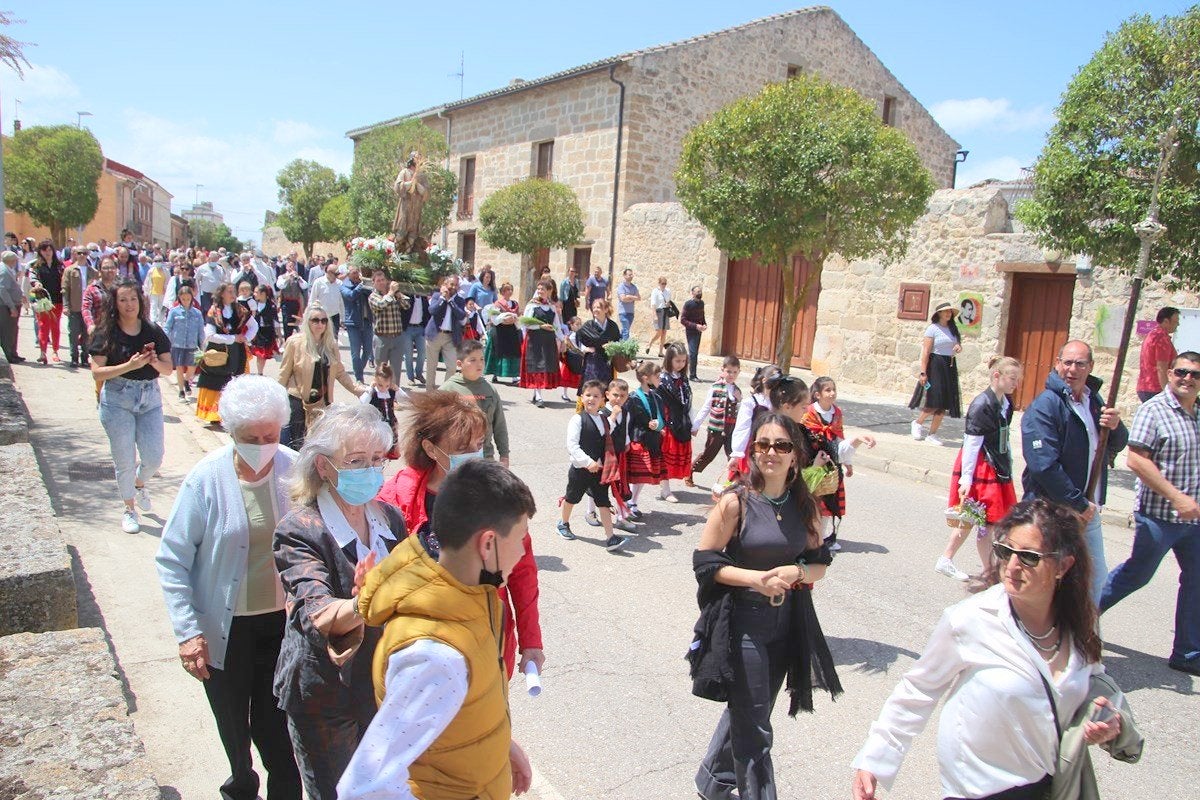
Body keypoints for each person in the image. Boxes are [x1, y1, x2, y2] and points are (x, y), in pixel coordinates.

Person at [852, 500, 1142, 800]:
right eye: (1005, 551)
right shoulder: (972, 619)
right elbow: (918, 690)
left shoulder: (1081, 621)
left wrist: (1109, 722)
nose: (1012, 566)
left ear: (1063, 566)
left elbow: (1093, 682)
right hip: (980, 789)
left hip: (1049, 785)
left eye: (1029, 557)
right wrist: (874, 760)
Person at [338, 460, 535, 799]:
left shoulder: (469, 595)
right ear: (487, 544)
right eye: (520, 539)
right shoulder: (435, 656)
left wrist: (501, 744)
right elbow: (365, 788)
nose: (522, 551)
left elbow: (449, 719)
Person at [156, 376, 303, 800]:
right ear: (231, 433)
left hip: (281, 626)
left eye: (271, 436)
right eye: (250, 437)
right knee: (235, 727)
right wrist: (187, 632)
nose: (262, 444)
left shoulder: (294, 470)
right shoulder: (205, 480)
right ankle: (241, 786)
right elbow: (172, 558)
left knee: (280, 731)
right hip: (225, 630)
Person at [692, 412, 838, 800]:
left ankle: (713, 781)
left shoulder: (806, 507)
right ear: (753, 450)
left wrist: (796, 571)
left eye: (782, 445)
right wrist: (754, 579)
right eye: (763, 444)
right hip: (743, 625)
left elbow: (819, 564)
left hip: (786, 623)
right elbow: (706, 562)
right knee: (756, 729)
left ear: (796, 455)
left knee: (750, 712)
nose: (771, 452)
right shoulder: (734, 503)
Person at [272, 402, 406, 799]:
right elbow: (315, 613)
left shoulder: (389, 518)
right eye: (355, 460)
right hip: (325, 695)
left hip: (379, 685)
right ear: (324, 466)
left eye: (376, 460)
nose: (369, 470)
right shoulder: (299, 529)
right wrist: (362, 602)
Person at [376, 391, 544, 679]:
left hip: (487, 638)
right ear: (430, 448)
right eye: (461, 447)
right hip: (421, 647)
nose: (472, 454)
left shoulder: (497, 493)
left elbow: (522, 572)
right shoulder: (397, 496)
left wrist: (531, 641)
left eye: (478, 445)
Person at [1101, 351, 1200, 676]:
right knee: (1137, 574)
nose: (1187, 378)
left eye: (1194, 374)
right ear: (1170, 373)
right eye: (1181, 372)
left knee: (1196, 581)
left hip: (1193, 520)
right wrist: (1177, 497)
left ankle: (1187, 652)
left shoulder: (1196, 414)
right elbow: (1137, 460)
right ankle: (1072, 618)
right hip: (1159, 515)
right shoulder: (1154, 410)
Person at [1022, 340, 1128, 604]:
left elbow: (1112, 445)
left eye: (1080, 363)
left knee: (1094, 580)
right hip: (1053, 510)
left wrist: (1115, 426)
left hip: (1085, 509)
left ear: (1090, 366)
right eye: (1067, 362)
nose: (1072, 369)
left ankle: (1083, 638)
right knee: (1043, 581)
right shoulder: (1046, 405)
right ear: (1057, 364)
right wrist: (1078, 503)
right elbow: (1043, 464)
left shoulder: (1094, 401)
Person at [86, 279, 172, 533]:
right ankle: (129, 509)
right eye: (123, 300)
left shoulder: (153, 331)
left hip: (150, 398)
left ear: (140, 300)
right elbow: (97, 373)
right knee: (124, 459)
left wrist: (153, 362)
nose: (129, 304)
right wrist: (129, 366)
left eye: (133, 299)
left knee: (154, 457)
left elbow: (168, 369)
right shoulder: (106, 333)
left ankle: (139, 484)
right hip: (117, 399)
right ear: (115, 303)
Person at [937, 356, 1023, 581]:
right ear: (997, 375)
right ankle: (990, 573)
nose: (1016, 383)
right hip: (980, 467)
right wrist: (966, 479)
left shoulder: (1005, 403)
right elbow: (972, 443)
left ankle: (947, 559)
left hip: (996, 464)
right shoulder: (981, 405)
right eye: (1012, 378)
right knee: (986, 522)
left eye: (1017, 379)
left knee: (976, 519)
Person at [799, 377, 876, 553]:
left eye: (834, 389)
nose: (832, 393)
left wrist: (847, 462)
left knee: (829, 503)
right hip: (813, 461)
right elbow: (803, 437)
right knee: (811, 502)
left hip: (832, 463)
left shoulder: (837, 413)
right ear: (817, 394)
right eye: (828, 390)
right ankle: (805, 535)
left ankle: (823, 537)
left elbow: (839, 438)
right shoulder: (809, 412)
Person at [556, 379, 633, 551]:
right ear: (582, 397)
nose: (591, 398)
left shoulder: (603, 419)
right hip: (580, 470)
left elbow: (608, 429)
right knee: (572, 498)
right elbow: (572, 446)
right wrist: (587, 462)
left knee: (603, 502)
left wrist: (613, 416)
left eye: (596, 396)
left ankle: (611, 537)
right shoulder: (577, 419)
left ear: (602, 400)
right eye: (588, 395)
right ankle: (564, 523)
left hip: (599, 472)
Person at [278, 304, 367, 448]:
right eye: (315, 320)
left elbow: (340, 372)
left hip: (323, 402)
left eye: (324, 321)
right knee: (297, 443)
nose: (320, 324)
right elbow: (284, 373)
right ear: (308, 322)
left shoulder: (331, 344)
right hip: (299, 400)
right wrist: (275, 397)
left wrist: (356, 390)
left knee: (318, 442)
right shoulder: (295, 342)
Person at [441, 340, 510, 468]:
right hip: (457, 458)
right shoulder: (447, 390)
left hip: (486, 457)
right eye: (472, 360)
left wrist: (504, 455)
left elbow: (499, 425)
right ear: (459, 364)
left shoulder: (490, 390)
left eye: (482, 359)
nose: (479, 364)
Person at [197, 282, 257, 426]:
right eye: (229, 291)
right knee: (216, 381)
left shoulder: (239, 309)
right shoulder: (214, 311)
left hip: (236, 352)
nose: (232, 294)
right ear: (221, 293)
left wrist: (245, 339)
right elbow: (210, 334)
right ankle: (215, 414)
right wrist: (232, 338)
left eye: (233, 291)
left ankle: (232, 413)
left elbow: (254, 326)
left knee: (235, 381)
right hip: (218, 351)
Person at [910, 301, 963, 446]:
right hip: (936, 366)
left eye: (950, 312)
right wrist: (923, 372)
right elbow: (926, 352)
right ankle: (918, 423)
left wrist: (958, 346)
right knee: (935, 400)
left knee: (944, 404)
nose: (948, 314)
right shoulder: (932, 329)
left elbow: (957, 344)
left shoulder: (953, 329)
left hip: (949, 366)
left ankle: (932, 434)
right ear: (939, 313)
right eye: (945, 311)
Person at [692, 356, 742, 480]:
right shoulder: (715, 387)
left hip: (731, 430)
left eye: (735, 372)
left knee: (732, 456)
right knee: (709, 455)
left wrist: (740, 399)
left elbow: (741, 411)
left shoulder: (737, 391)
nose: (731, 375)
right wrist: (696, 425)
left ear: (739, 372)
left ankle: (733, 481)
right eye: (729, 371)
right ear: (722, 370)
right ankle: (691, 470)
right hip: (716, 429)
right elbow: (706, 407)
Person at [626, 361, 665, 518]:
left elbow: (662, 417)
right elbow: (629, 421)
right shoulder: (633, 398)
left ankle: (633, 502)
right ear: (645, 378)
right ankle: (626, 503)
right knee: (635, 477)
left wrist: (658, 424)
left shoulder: (656, 396)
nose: (660, 379)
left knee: (642, 478)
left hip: (652, 440)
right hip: (639, 440)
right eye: (657, 376)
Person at [519, 278, 564, 408]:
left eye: (542, 289)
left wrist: (561, 339)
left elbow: (557, 325)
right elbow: (525, 323)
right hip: (534, 340)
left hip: (548, 340)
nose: (540, 291)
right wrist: (540, 327)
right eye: (538, 289)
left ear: (549, 291)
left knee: (544, 366)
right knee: (537, 365)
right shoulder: (531, 305)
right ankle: (538, 395)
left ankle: (536, 392)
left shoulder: (551, 307)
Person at [657, 342, 693, 502]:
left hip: (681, 421)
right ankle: (665, 490)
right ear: (669, 359)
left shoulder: (683, 378)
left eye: (683, 361)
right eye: (677, 361)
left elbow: (687, 400)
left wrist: (692, 422)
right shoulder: (662, 379)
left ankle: (666, 487)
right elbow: (657, 402)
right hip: (667, 421)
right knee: (664, 456)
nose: (681, 364)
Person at [163, 282, 205, 401]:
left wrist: (202, 345)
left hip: (192, 345)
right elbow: (167, 327)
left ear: (192, 298)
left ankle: (187, 381)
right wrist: (165, 340)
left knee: (192, 367)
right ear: (179, 298)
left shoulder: (197, 313)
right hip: (177, 344)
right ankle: (181, 391)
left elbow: (201, 330)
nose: (186, 301)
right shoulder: (174, 312)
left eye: (188, 298)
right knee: (180, 368)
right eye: (183, 299)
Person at [425, 274, 466, 389]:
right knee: (431, 366)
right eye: (451, 284)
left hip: (450, 337)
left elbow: (461, 315)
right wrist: (443, 299)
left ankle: (445, 392)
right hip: (435, 334)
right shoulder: (437, 295)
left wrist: (451, 301)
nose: (453, 287)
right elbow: (432, 310)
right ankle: (430, 392)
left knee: (452, 367)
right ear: (446, 284)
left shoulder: (459, 300)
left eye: (456, 285)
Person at [360, 363, 404, 458]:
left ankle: (390, 452)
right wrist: (370, 388)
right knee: (378, 440)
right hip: (377, 421)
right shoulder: (373, 392)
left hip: (391, 420)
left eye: (387, 385)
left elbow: (406, 399)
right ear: (375, 380)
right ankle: (378, 455)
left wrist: (398, 389)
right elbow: (363, 402)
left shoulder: (391, 392)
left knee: (392, 438)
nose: (383, 388)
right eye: (380, 385)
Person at [32, 239, 66, 363]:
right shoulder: (36, 266)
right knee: (43, 326)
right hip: (43, 300)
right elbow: (33, 277)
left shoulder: (60, 266)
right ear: (40, 251)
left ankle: (55, 351)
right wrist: (36, 283)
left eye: (50, 250)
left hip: (57, 300)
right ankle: (42, 352)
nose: (47, 252)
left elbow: (65, 280)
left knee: (55, 326)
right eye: (44, 250)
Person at [1136, 306, 1179, 402]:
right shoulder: (1162, 339)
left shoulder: (1152, 334)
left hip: (1145, 386)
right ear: (1166, 321)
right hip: (1156, 388)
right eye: (1176, 321)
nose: (1178, 324)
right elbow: (1161, 368)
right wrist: (1166, 392)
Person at [339, 266, 374, 383]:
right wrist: (360, 286)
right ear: (348, 274)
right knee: (355, 352)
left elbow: (372, 293)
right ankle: (359, 377)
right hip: (353, 323)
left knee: (368, 350)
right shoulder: (344, 286)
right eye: (353, 273)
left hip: (367, 321)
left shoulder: (364, 285)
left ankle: (359, 370)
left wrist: (366, 284)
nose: (356, 275)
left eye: (357, 272)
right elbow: (351, 296)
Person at [62, 247, 95, 368]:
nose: (82, 255)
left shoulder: (93, 271)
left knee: (87, 335)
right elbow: (65, 289)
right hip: (74, 307)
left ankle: (85, 357)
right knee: (73, 333)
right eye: (79, 253)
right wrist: (65, 306)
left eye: (84, 253)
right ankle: (74, 357)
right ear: (75, 254)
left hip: (88, 310)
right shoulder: (69, 270)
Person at [577, 297, 622, 386]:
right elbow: (578, 338)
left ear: (605, 309)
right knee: (592, 387)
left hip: (607, 362)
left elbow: (618, 342)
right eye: (593, 308)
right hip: (592, 362)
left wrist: (612, 346)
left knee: (606, 388)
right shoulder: (588, 326)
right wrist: (585, 348)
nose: (595, 310)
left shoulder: (613, 326)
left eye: (598, 307)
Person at [483, 281, 521, 384]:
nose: (510, 292)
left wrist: (514, 320)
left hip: (512, 331)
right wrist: (504, 320)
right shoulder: (497, 304)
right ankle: (496, 373)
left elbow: (518, 317)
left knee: (513, 352)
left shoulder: (515, 304)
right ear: (503, 292)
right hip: (500, 331)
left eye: (511, 289)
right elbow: (494, 319)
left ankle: (514, 376)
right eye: (507, 290)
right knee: (499, 352)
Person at [248, 284, 281, 375]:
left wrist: (280, 336)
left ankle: (260, 372)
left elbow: (276, 321)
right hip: (257, 332)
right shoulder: (253, 304)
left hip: (268, 332)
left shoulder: (271, 306)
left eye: (256, 292)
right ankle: (260, 373)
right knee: (259, 354)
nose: (254, 294)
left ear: (263, 293)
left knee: (263, 354)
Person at [309, 262, 344, 340]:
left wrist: (343, 318)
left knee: (334, 339)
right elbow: (312, 299)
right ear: (329, 272)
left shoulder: (340, 284)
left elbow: (341, 302)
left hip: (335, 315)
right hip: (321, 316)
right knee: (320, 338)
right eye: (336, 274)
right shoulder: (318, 282)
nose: (337, 276)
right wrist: (311, 315)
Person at [0, 252, 24, 363]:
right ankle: (8, 355)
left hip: (13, 304)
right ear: (11, 261)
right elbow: (3, 290)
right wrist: (11, 307)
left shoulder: (7, 269)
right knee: (7, 331)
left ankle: (13, 353)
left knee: (13, 330)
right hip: (6, 306)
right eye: (15, 260)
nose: (16, 262)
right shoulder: (4, 271)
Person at [681, 284, 708, 381]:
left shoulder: (701, 304)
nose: (699, 293)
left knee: (694, 353)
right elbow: (683, 320)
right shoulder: (688, 304)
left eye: (700, 291)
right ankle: (692, 375)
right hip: (691, 331)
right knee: (693, 353)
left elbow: (702, 316)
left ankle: (690, 373)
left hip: (698, 331)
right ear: (692, 293)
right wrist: (695, 326)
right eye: (697, 291)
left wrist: (704, 324)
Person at [275, 262, 307, 340]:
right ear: (286, 267)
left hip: (296, 303)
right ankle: (287, 339)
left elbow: (305, 286)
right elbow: (280, 285)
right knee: (286, 322)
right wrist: (288, 277)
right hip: (286, 302)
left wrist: (299, 279)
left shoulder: (297, 277)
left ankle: (291, 339)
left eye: (293, 266)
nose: (292, 267)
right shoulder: (282, 277)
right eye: (290, 266)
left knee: (293, 323)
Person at [647, 276, 673, 357]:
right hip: (658, 312)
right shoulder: (655, 291)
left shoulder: (667, 291)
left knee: (664, 332)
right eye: (662, 283)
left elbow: (668, 301)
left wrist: (668, 304)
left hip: (665, 311)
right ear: (659, 283)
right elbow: (653, 304)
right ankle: (650, 343)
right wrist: (654, 315)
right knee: (659, 332)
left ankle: (661, 352)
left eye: (665, 284)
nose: (664, 285)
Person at [615, 268, 640, 342]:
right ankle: (625, 348)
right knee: (626, 330)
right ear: (624, 276)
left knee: (624, 330)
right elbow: (623, 299)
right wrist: (632, 298)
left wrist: (629, 296)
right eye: (629, 275)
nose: (631, 276)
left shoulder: (634, 287)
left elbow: (638, 298)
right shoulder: (621, 287)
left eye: (632, 275)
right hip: (623, 312)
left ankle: (619, 344)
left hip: (631, 313)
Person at [143, 257, 169, 325]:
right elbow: (147, 282)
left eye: (159, 261)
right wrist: (146, 292)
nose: (158, 262)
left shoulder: (166, 271)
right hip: (153, 292)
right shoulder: (151, 271)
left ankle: (162, 321)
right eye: (156, 261)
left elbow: (168, 281)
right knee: (153, 306)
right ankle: (153, 321)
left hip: (163, 292)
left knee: (162, 307)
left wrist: (167, 290)